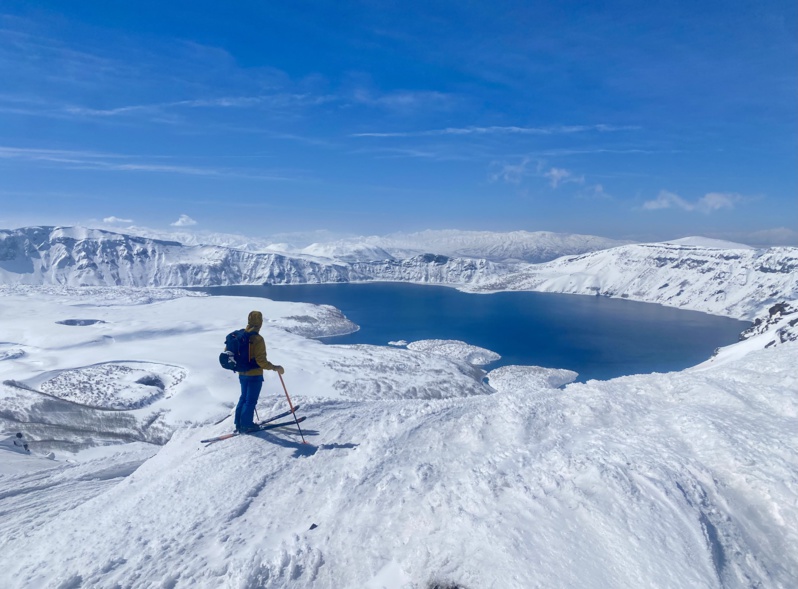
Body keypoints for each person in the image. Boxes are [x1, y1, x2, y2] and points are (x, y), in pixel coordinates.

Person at [234, 311, 285, 433]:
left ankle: (239, 423)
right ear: (260, 323)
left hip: (242, 373)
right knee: (250, 400)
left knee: (243, 398)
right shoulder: (258, 339)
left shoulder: (240, 336)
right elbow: (261, 361)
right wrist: (275, 367)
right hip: (254, 374)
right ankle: (247, 425)